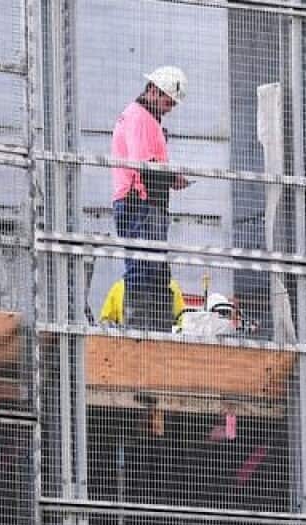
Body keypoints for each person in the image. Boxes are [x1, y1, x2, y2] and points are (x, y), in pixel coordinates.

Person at [110, 65, 192, 331]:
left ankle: (155, 333)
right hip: (139, 202)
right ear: (154, 92)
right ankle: (141, 335)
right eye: (168, 102)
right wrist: (172, 179)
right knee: (143, 269)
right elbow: (144, 165)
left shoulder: (143, 118)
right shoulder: (140, 118)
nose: (170, 108)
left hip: (144, 202)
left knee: (154, 271)